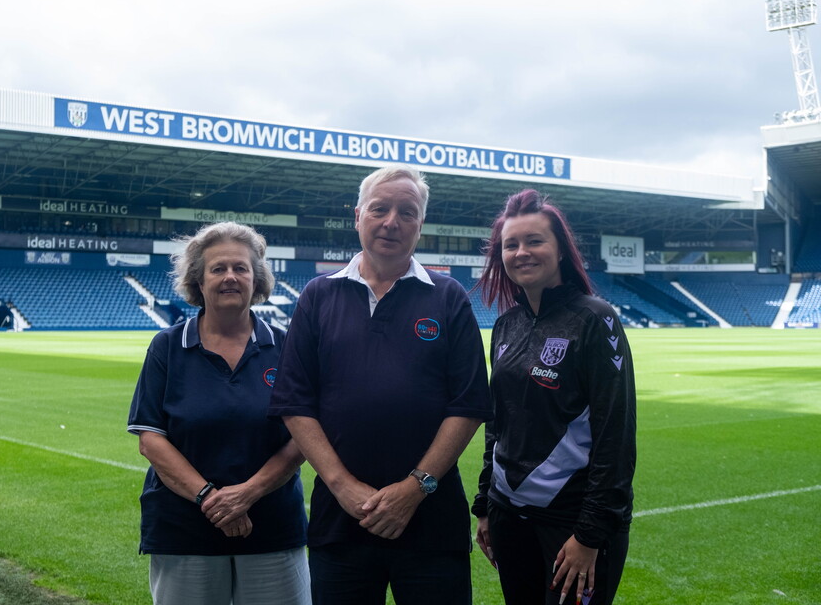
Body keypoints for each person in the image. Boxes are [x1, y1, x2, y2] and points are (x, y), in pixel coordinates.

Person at [269, 165, 492, 605]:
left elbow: (467, 405)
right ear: (357, 216)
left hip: (432, 521)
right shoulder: (318, 295)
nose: (392, 221)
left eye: (406, 212)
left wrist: (415, 488)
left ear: (420, 224)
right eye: (380, 208)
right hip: (341, 523)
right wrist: (342, 486)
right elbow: (295, 401)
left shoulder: (449, 298)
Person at [127, 221, 310, 605]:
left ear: (256, 278)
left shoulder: (287, 345)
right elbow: (150, 439)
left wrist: (248, 493)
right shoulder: (167, 347)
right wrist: (211, 498)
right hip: (184, 530)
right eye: (218, 268)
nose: (230, 277)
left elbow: (304, 435)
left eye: (241, 268)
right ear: (199, 279)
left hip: (272, 526)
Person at [471, 189, 636, 605]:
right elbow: (498, 423)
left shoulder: (595, 320)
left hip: (572, 523)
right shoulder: (505, 325)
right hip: (509, 516)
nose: (521, 252)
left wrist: (590, 535)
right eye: (511, 244)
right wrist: (486, 505)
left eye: (534, 241)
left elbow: (615, 435)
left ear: (560, 249)